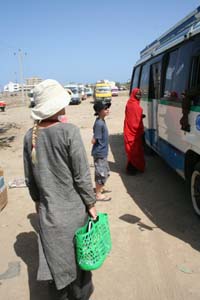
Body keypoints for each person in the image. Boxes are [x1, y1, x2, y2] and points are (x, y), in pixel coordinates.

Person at [23, 79, 97, 300]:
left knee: (58, 268)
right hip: (74, 214)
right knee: (80, 264)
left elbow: (30, 179)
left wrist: (38, 201)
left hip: (49, 217)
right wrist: (91, 204)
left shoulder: (30, 136)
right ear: (57, 106)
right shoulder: (69, 131)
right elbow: (82, 176)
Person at [91, 101, 111, 201]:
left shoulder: (101, 121)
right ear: (99, 111)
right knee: (101, 173)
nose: (107, 110)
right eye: (105, 108)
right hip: (100, 153)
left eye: (107, 108)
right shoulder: (99, 123)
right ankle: (98, 194)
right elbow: (95, 139)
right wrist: (94, 140)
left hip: (102, 152)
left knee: (105, 171)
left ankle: (100, 188)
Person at [123, 88, 145, 174]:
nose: (139, 97)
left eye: (140, 95)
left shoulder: (129, 103)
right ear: (134, 95)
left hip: (131, 131)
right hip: (133, 132)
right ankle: (132, 169)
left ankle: (133, 168)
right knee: (134, 151)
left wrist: (140, 116)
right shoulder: (133, 105)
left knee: (135, 150)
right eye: (137, 95)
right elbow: (133, 119)